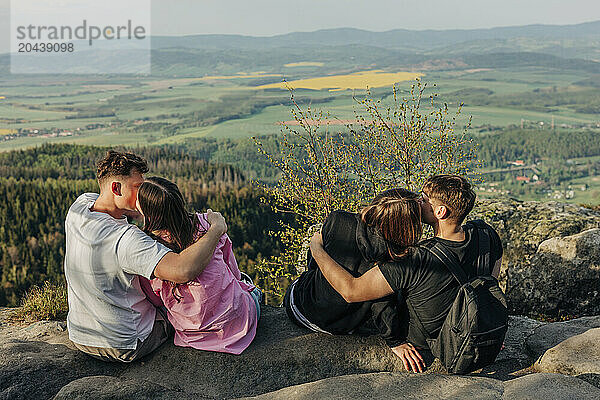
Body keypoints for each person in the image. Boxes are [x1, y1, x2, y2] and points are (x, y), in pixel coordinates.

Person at [309, 175, 503, 373]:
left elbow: (351, 291)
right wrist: (480, 328)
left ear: (440, 211)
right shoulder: (486, 235)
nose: (420, 202)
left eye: (425, 199)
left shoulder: (416, 259)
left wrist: (316, 248)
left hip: (424, 342)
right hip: (468, 330)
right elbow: (490, 286)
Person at [64, 150, 227, 362]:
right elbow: (182, 270)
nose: (143, 194)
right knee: (183, 309)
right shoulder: (124, 239)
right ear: (116, 188)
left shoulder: (80, 206)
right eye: (138, 188)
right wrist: (216, 229)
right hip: (125, 343)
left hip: (80, 334)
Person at [284, 188, 423, 353]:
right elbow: (382, 306)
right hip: (343, 327)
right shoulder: (395, 258)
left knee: (302, 280)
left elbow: (314, 264)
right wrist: (395, 341)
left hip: (301, 308)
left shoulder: (337, 219)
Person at [136, 176, 262, 355]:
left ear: (147, 213)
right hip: (238, 323)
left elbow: (155, 300)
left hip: (194, 335)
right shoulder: (206, 225)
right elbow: (233, 271)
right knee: (252, 290)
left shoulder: (146, 250)